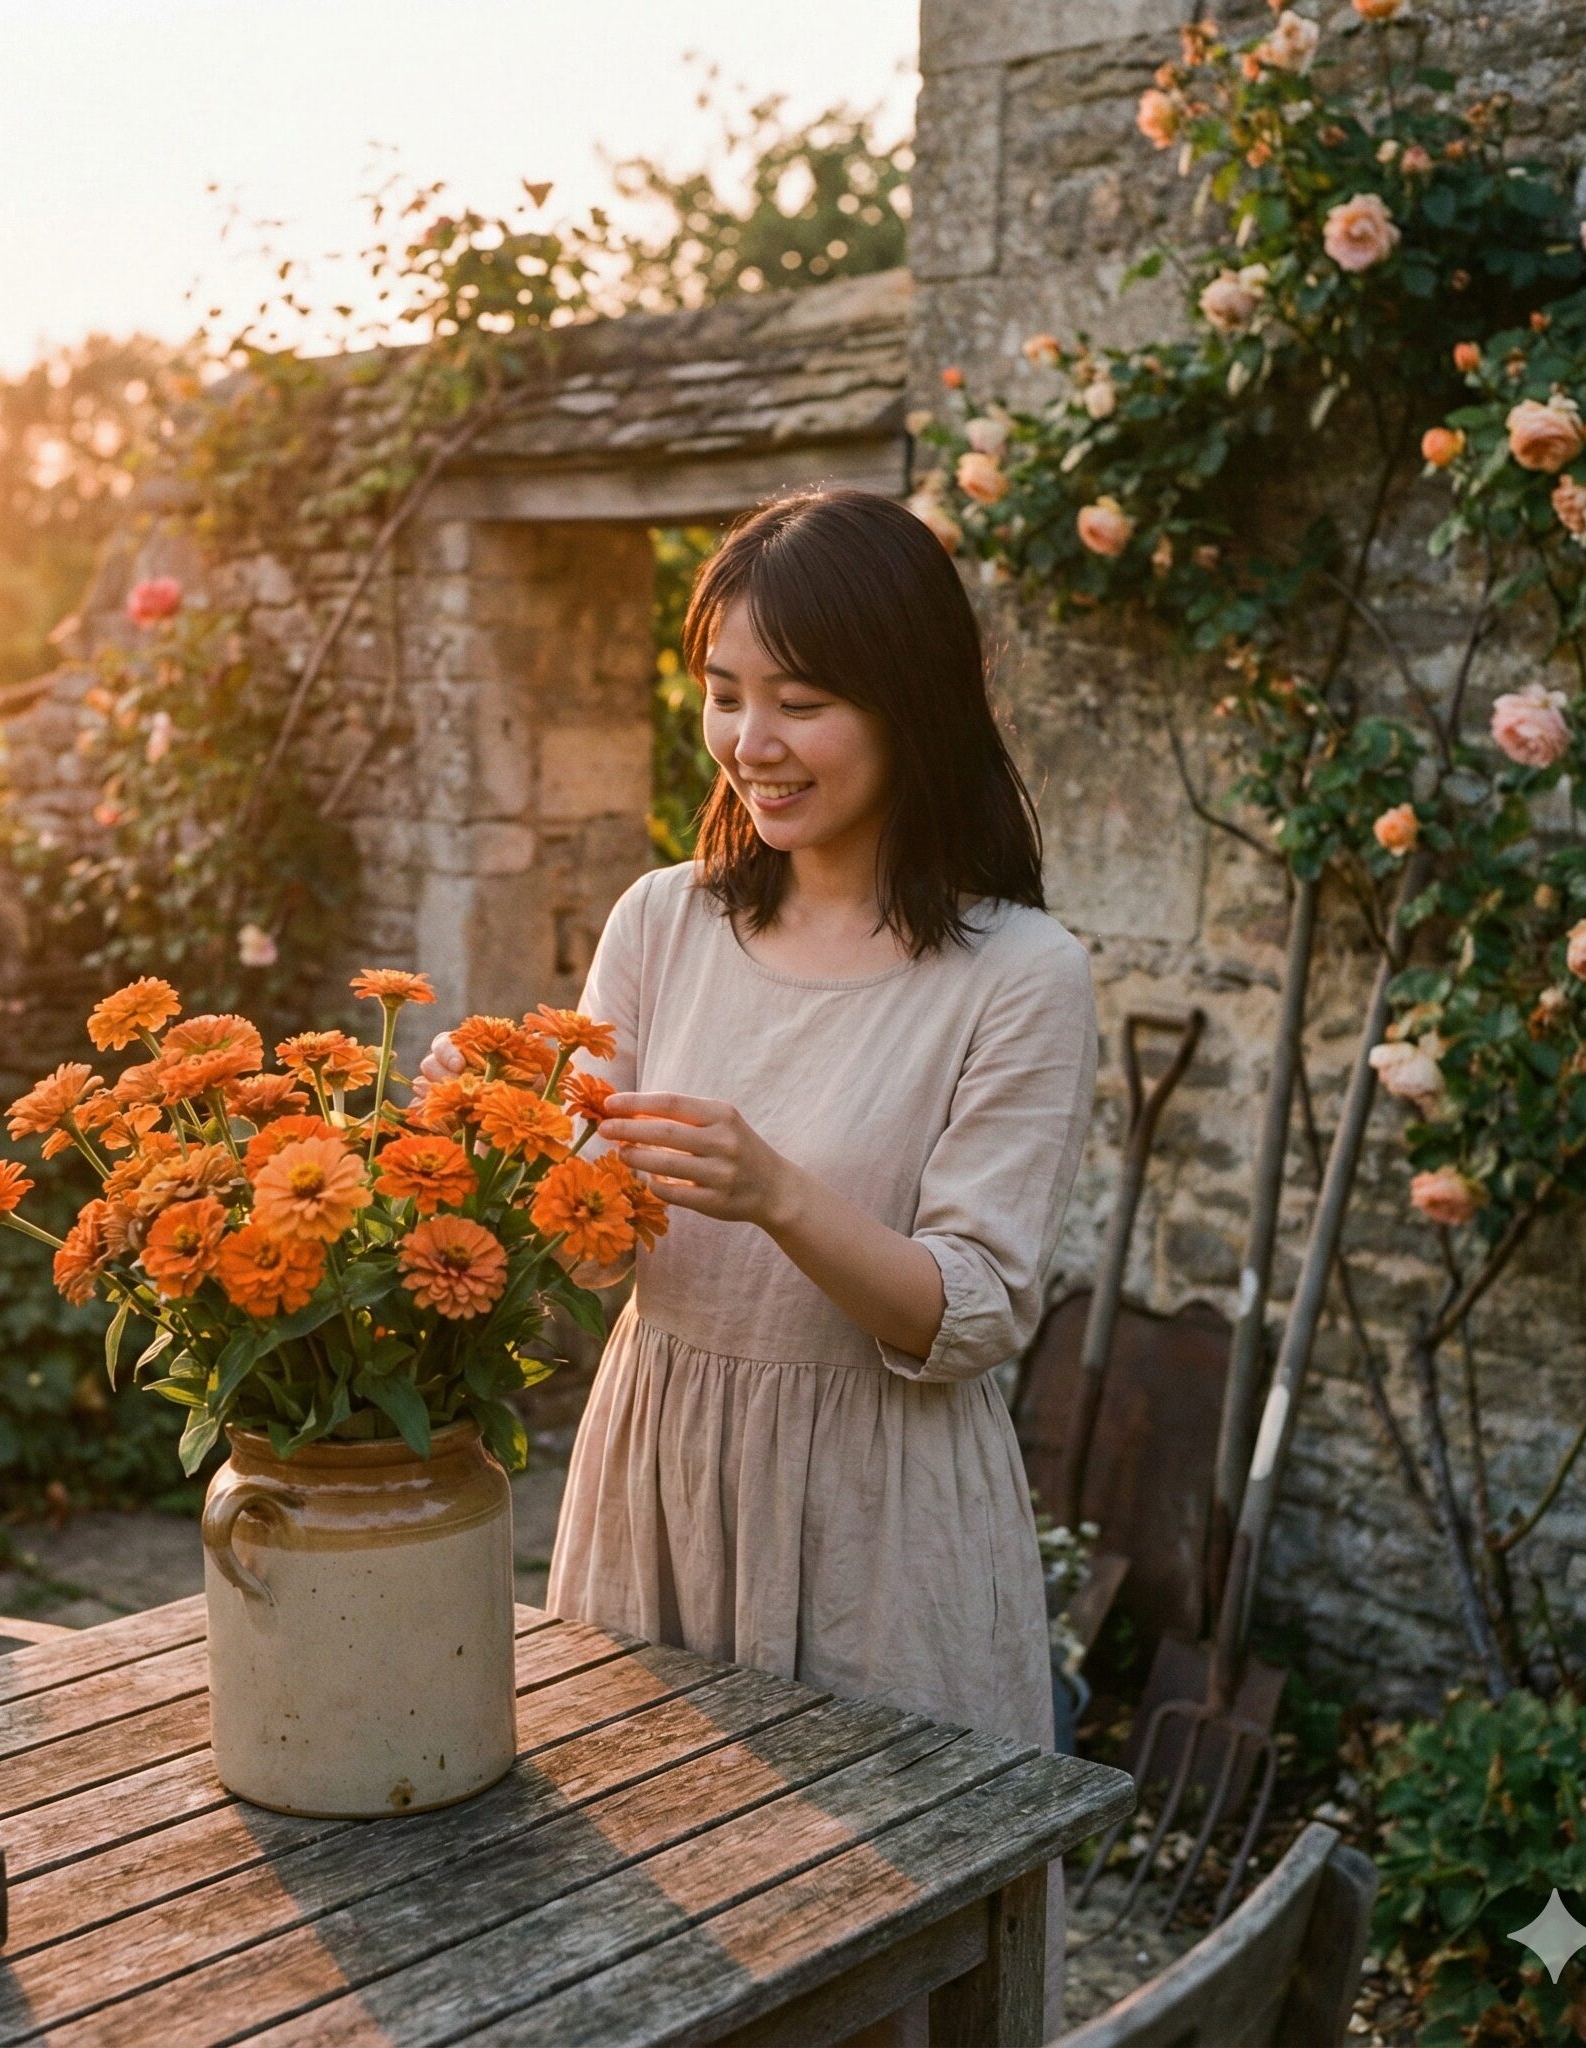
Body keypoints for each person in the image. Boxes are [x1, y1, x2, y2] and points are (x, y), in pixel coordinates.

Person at [419, 486, 1098, 2042]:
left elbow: (976, 1311)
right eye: (725, 695)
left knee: (875, 1958)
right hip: (661, 1477)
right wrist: (493, 1134)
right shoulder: (663, 920)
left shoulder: (1020, 974)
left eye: (802, 699)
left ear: (912, 703)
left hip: (883, 1519)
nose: (752, 743)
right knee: (638, 1947)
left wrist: (779, 1191)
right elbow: (592, 1255)